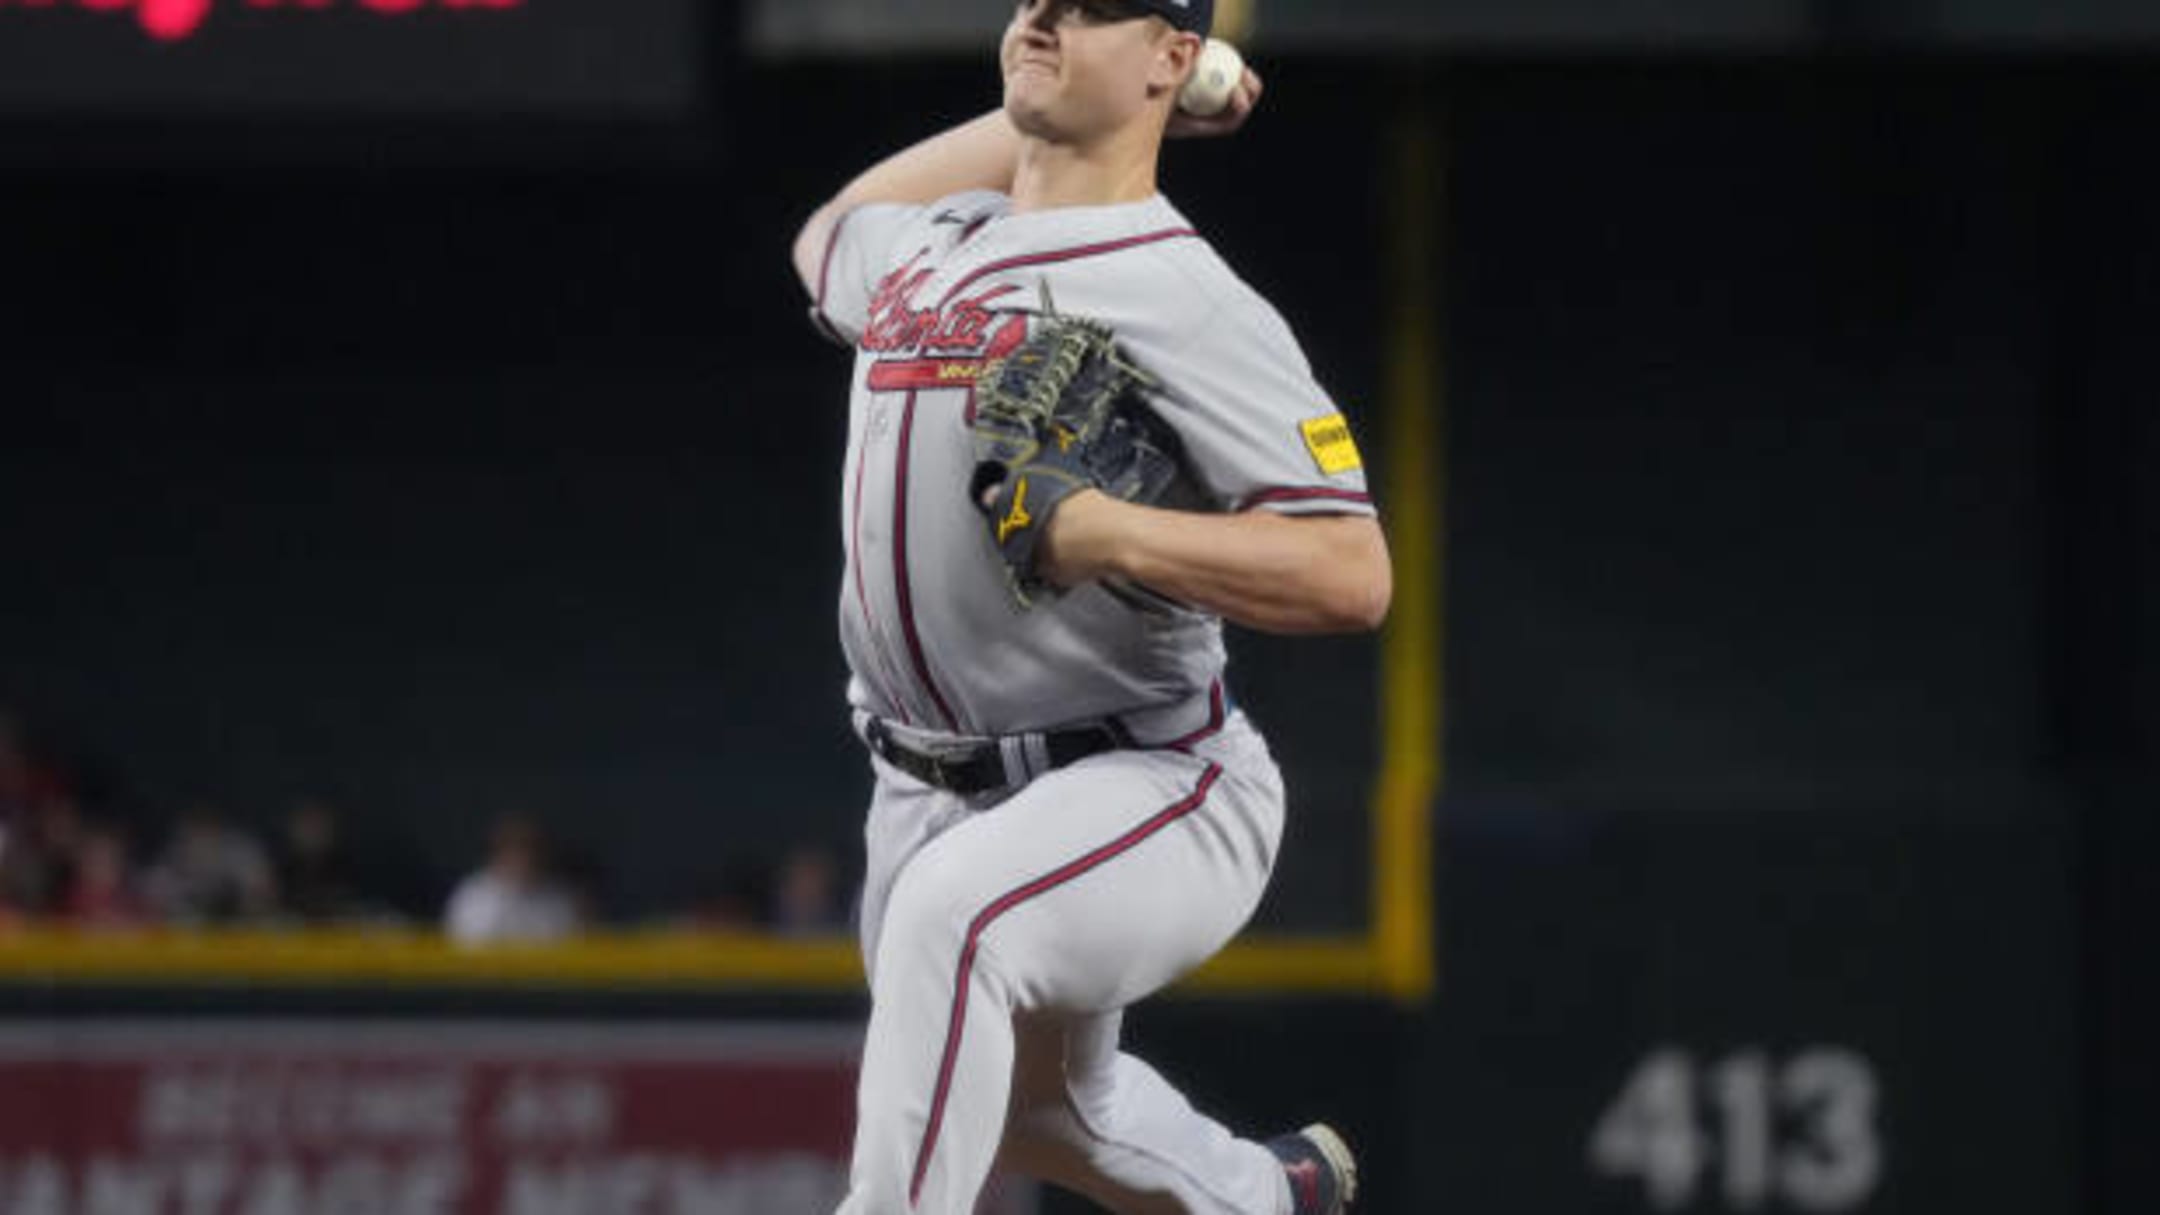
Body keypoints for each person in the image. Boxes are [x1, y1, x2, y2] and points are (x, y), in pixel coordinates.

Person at [788, 3, 1390, 1212]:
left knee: (956, 928)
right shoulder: (932, 244)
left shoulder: (1185, 293)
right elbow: (827, 233)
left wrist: (1108, 531)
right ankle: (1267, 1198)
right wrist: (1057, 104)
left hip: (1153, 782)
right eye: (1032, 6)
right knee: (1054, 1122)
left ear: (1172, 54)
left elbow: (1350, 573)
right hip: (921, 788)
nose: (1043, 19)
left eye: (1088, 8)